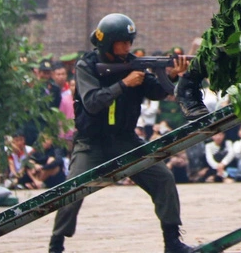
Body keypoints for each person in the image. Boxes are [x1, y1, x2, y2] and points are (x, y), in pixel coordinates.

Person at [47, 13, 192, 253]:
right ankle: (56, 245)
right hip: (91, 143)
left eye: (129, 42)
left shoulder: (134, 62)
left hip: (125, 140)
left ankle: (172, 241)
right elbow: (92, 102)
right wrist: (124, 84)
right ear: (107, 43)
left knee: (163, 178)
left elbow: (156, 91)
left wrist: (174, 74)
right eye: (122, 42)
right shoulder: (87, 66)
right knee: (72, 190)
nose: (127, 47)